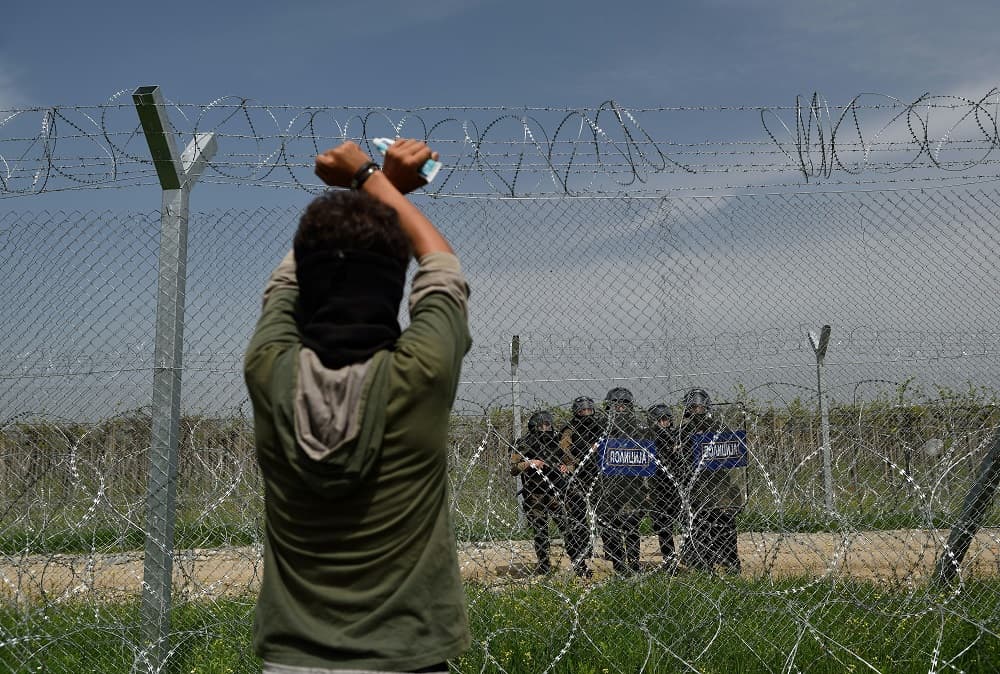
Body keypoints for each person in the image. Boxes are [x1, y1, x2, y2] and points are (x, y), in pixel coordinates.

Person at [244, 138, 471, 673]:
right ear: (397, 286)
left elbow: (294, 276)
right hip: (408, 657)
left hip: (292, 658)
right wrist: (375, 181)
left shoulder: (269, 369)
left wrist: (366, 187)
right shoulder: (421, 375)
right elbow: (441, 267)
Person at [676, 388, 743, 575]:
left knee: (725, 525)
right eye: (694, 406)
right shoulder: (685, 429)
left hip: (719, 485)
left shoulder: (717, 426)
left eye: (700, 406)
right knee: (702, 526)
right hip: (698, 486)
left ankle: (730, 561)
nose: (697, 409)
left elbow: (733, 448)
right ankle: (705, 563)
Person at [510, 410, 572, 575]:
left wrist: (567, 468)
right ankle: (544, 567)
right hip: (534, 495)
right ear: (534, 426)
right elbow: (514, 469)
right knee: (540, 532)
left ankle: (578, 563)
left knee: (567, 528)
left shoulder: (558, 441)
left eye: (547, 425)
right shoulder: (524, 443)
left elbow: (572, 462)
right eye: (541, 425)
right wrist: (530, 463)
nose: (545, 428)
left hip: (555, 493)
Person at [596, 387, 648, 575]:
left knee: (632, 523)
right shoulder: (602, 425)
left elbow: (648, 449)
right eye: (616, 405)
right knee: (612, 526)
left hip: (632, 483)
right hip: (608, 484)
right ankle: (619, 566)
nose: (620, 408)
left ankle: (634, 563)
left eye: (624, 404)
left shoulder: (638, 425)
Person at [557, 395, 603, 578]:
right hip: (578, 477)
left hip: (599, 475)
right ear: (576, 412)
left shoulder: (601, 427)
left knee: (605, 517)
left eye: (588, 410)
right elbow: (564, 451)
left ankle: (603, 554)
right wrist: (577, 461)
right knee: (577, 519)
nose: (586, 413)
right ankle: (581, 559)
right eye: (582, 410)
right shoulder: (570, 430)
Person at [646, 402, 684, 570]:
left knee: (686, 522)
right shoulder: (647, 439)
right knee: (663, 525)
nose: (664, 423)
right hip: (658, 488)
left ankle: (691, 555)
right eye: (659, 420)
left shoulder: (677, 437)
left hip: (678, 487)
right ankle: (670, 560)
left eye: (666, 419)